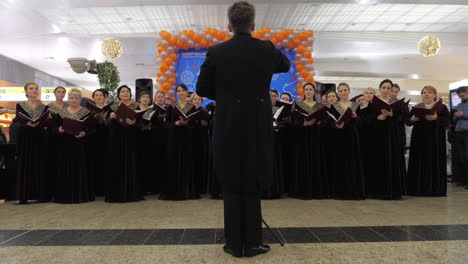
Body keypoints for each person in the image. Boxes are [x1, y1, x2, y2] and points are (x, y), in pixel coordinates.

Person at [196, 1, 290, 258]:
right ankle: (254, 242)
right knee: (253, 177)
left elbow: (202, 89)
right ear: (253, 25)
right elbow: (285, 65)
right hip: (257, 124)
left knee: (230, 180)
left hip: (227, 124)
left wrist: (227, 96)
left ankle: (233, 243)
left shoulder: (216, 51)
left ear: (229, 26)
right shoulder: (266, 49)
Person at [52, 88, 95, 203]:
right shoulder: (60, 113)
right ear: (68, 99)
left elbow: (93, 129)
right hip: (64, 146)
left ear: (80, 99)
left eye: (76, 98)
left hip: (80, 145)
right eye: (71, 98)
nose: (74, 100)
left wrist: (84, 133)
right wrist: (59, 129)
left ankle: (81, 195)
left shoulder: (87, 113)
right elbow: (53, 128)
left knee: (80, 168)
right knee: (65, 168)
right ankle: (64, 195)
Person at [406, 86, 449, 196]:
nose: (426, 94)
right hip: (419, 140)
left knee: (434, 161)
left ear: (434, 95)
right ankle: (417, 189)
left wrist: (436, 119)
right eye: (424, 92)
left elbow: (447, 122)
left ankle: (435, 189)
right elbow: (408, 121)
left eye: (430, 92)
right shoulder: (416, 107)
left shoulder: (442, 107)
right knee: (419, 161)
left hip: (435, 140)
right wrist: (412, 119)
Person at [160, 84, 200, 200]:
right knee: (174, 162)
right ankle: (175, 191)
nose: (181, 93)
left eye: (183, 91)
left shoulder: (191, 107)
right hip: (174, 139)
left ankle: (187, 191)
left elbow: (195, 124)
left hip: (188, 138)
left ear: (186, 92)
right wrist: (175, 124)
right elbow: (166, 123)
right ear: (176, 93)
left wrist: (187, 123)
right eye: (179, 91)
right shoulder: (172, 107)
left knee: (187, 162)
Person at [366, 79, 405, 199]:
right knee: (378, 160)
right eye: (384, 87)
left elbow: (401, 119)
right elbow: (368, 119)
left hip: (392, 135)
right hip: (377, 136)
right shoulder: (373, 102)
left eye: (388, 88)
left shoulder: (396, 102)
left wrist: (391, 115)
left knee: (392, 159)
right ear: (380, 89)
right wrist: (379, 117)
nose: (386, 90)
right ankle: (377, 191)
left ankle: (392, 191)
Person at [288, 83, 328, 199]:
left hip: (315, 137)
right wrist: (302, 123)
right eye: (307, 89)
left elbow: (325, 121)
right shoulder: (298, 105)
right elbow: (293, 121)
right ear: (304, 92)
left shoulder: (319, 106)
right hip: (302, 137)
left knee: (315, 160)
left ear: (314, 92)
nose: (309, 91)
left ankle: (315, 190)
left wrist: (319, 122)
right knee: (303, 161)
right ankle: (302, 190)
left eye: (311, 89)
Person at [326, 83, 365, 199]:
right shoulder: (334, 106)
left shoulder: (355, 105)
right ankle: (339, 191)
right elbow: (331, 122)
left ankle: (353, 191)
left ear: (349, 91)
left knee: (352, 162)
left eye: (345, 90)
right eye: (341, 90)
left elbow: (361, 123)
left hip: (352, 136)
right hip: (339, 137)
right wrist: (336, 125)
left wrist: (355, 117)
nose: (343, 92)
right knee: (340, 163)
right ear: (338, 93)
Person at [105, 85, 143, 203]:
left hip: (132, 139)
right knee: (117, 164)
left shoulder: (137, 106)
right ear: (119, 94)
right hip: (116, 140)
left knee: (132, 163)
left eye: (127, 91)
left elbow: (142, 125)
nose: (125, 93)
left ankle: (133, 193)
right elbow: (106, 125)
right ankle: (117, 193)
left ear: (130, 94)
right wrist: (111, 117)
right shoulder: (113, 107)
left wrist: (134, 122)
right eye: (123, 92)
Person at [15, 82, 50, 204]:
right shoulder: (20, 105)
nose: (34, 90)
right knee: (26, 163)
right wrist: (27, 123)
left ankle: (41, 195)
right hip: (26, 137)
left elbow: (46, 123)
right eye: (31, 89)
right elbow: (18, 120)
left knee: (39, 163)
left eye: (36, 89)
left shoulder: (44, 106)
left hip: (39, 137)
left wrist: (44, 122)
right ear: (26, 91)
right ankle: (24, 196)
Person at [87, 89, 112, 196]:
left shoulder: (110, 110)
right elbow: (87, 125)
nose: (98, 97)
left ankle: (106, 189)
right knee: (94, 162)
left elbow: (112, 126)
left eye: (100, 95)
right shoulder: (88, 110)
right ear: (93, 97)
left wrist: (110, 119)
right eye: (96, 95)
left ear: (105, 97)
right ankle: (95, 189)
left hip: (107, 138)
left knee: (107, 163)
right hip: (93, 139)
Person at [192, 93, 210, 194]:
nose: (197, 101)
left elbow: (207, 125)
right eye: (195, 99)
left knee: (200, 161)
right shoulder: (188, 111)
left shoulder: (205, 112)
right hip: (190, 140)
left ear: (202, 101)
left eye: (199, 99)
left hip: (201, 141)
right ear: (192, 100)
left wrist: (204, 124)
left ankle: (201, 187)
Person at [453, 86, 468, 187]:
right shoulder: (458, 105)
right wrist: (456, 116)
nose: (461, 96)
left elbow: (461, 115)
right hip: (459, 133)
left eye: (462, 94)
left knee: (467, 156)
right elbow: (454, 118)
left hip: (467, 133)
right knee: (461, 157)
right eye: (459, 95)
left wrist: (462, 115)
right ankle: (463, 179)